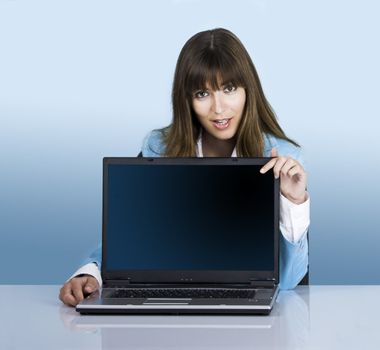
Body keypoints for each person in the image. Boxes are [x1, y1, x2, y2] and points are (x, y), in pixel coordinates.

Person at [59, 28, 310, 307]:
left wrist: (294, 201)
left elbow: (288, 283)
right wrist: (90, 272)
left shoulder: (281, 158)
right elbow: (129, 237)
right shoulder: (159, 148)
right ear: (186, 99)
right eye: (203, 93)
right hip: (170, 316)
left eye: (229, 89)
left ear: (248, 90)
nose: (218, 108)